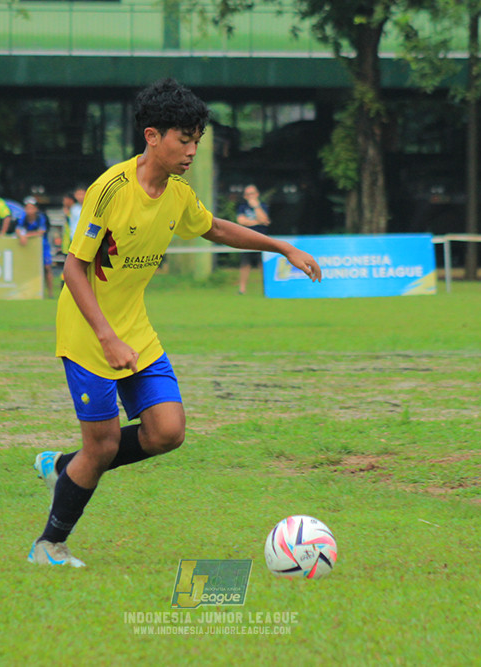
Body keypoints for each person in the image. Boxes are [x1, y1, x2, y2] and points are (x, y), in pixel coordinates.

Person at [27, 78, 322, 567]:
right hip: (87, 332)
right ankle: (48, 545)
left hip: (135, 330)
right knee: (102, 446)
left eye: (196, 141)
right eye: (183, 140)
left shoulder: (178, 194)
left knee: (167, 431)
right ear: (152, 136)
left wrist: (281, 247)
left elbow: (216, 228)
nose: (191, 151)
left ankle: (63, 467)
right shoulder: (110, 190)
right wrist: (106, 337)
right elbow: (73, 269)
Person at [235, 184, 271, 295]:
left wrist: (256, 207)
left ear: (257, 194)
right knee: (245, 264)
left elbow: (265, 219)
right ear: (245, 196)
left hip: (261, 239)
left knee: (262, 264)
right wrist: (257, 222)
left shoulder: (263, 206)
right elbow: (241, 221)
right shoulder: (242, 207)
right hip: (246, 239)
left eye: (252, 193)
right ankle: (242, 289)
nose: (250, 196)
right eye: (248, 194)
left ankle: (266, 288)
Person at [17, 196, 55, 298]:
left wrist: (26, 236)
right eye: (27, 208)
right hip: (29, 248)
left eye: (31, 208)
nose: (29, 210)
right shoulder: (23, 218)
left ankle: (50, 292)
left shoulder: (41, 218)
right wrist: (21, 236)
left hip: (43, 246)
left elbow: (41, 232)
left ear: (36, 209)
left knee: (47, 268)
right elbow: (18, 229)